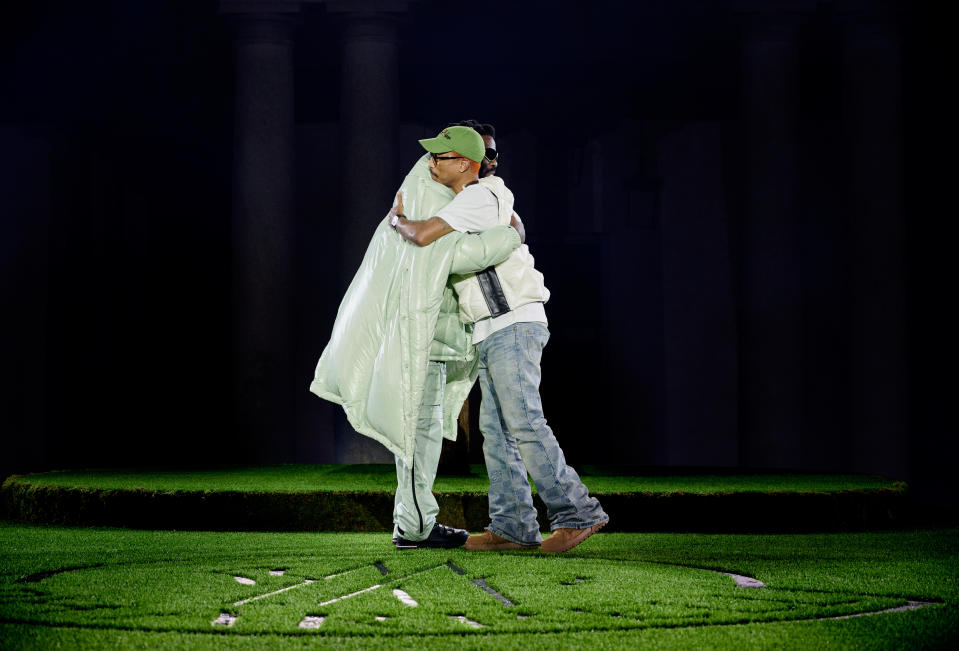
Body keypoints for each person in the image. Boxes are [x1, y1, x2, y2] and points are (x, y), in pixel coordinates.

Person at [390, 124, 609, 554]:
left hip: (512, 322)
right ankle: (513, 527)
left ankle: (577, 511)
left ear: (466, 165)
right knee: (498, 429)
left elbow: (420, 236)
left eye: (442, 156)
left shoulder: (479, 195)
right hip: (493, 328)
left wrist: (397, 217)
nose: (433, 162)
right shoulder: (481, 197)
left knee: (524, 421)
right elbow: (513, 228)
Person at [310, 126, 522, 549]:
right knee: (416, 430)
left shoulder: (459, 190)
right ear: (467, 160)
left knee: (424, 431)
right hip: (421, 336)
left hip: (438, 334)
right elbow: (447, 252)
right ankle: (412, 526)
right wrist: (512, 234)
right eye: (485, 156)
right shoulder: (427, 185)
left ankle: (417, 522)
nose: (491, 165)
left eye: (438, 156)